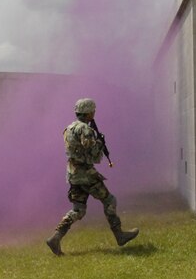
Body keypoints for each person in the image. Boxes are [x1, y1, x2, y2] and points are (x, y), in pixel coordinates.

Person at [46, 98, 138, 256]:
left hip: (72, 173)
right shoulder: (85, 130)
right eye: (93, 111)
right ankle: (119, 235)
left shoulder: (69, 128)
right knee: (110, 200)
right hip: (86, 174)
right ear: (88, 113)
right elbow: (93, 154)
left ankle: (56, 237)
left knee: (78, 210)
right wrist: (100, 144)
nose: (94, 113)